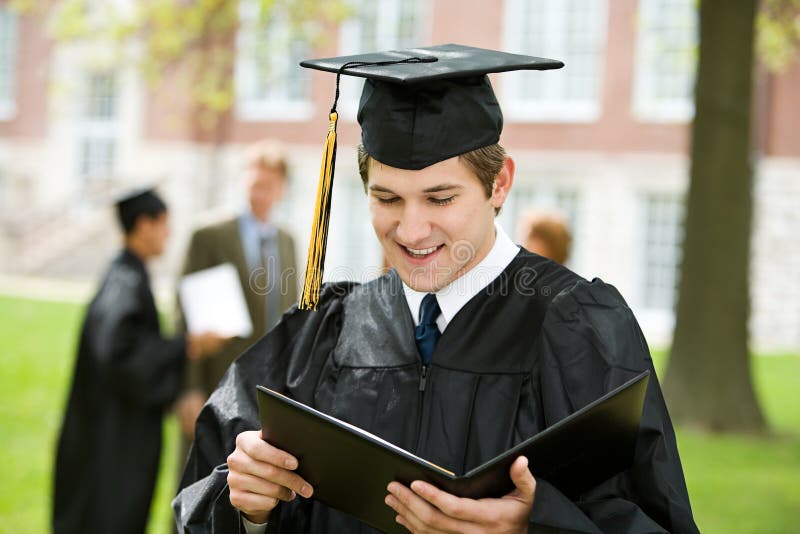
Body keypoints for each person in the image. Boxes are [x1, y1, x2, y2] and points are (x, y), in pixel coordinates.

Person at [174, 45, 699, 533]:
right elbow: (202, 492)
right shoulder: (327, 331)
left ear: (500, 184)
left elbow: (652, 517)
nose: (410, 231)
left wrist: (532, 525)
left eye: (440, 198)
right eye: (388, 198)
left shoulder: (576, 326)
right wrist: (248, 509)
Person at [53, 189, 224, 534]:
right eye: (164, 224)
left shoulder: (126, 275)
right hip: (113, 439)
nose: (168, 233)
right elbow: (120, 355)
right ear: (144, 225)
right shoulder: (126, 282)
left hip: (109, 430)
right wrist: (186, 346)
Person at [173, 140, 298, 457]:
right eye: (254, 184)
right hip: (216, 380)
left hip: (266, 389)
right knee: (196, 483)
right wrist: (189, 387)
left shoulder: (287, 242)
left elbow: (291, 316)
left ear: (282, 189)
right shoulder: (210, 234)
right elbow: (184, 312)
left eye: (268, 186)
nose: (259, 194)